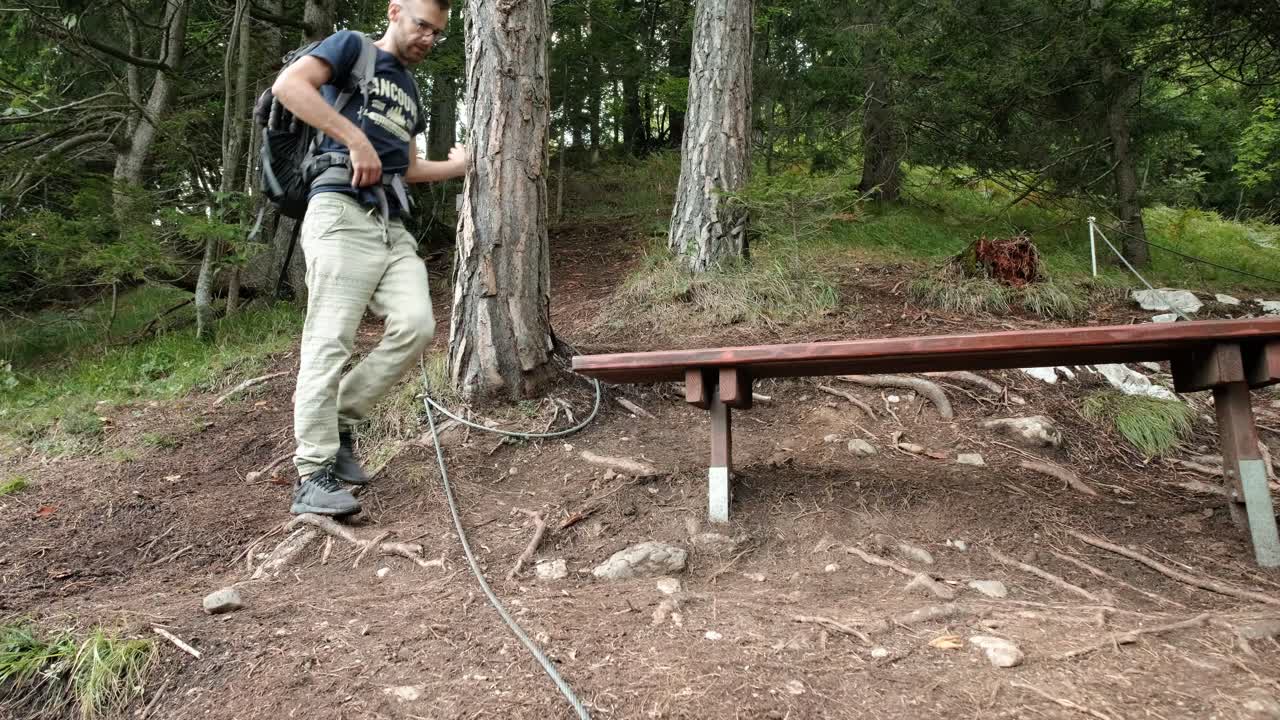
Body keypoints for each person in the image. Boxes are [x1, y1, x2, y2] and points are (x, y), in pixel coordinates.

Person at [271, 0, 465, 516]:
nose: (427, 38)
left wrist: (457, 166)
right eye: (421, 24)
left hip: (389, 222)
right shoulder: (352, 47)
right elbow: (289, 87)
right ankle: (312, 474)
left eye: (437, 33)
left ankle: (340, 420)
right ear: (395, 11)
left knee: (416, 325)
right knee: (329, 341)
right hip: (338, 210)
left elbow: (407, 166)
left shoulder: (411, 89)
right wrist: (354, 139)